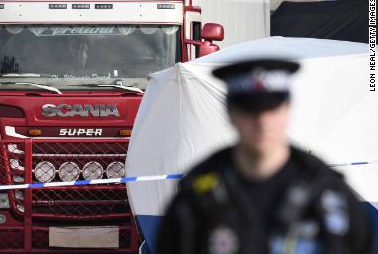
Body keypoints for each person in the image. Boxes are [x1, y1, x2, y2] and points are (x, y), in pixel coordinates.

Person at [155, 59, 375, 254]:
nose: (262, 121)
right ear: (231, 114)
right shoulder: (196, 196)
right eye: (250, 110)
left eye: (272, 108)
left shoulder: (326, 192)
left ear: (288, 110)